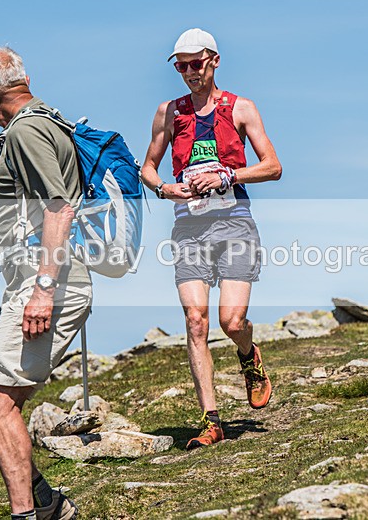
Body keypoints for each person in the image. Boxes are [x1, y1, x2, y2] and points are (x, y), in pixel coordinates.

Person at [0, 46, 90, 520]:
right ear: (24, 79)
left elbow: (59, 208)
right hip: (27, 286)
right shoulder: (40, 122)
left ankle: (26, 514)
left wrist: (44, 290)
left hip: (47, 284)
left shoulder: (27, 131)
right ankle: (47, 501)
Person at [141, 28, 282, 448]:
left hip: (235, 223)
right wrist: (165, 188)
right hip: (188, 228)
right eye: (180, 66)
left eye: (195, 64)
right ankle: (211, 420)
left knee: (230, 321)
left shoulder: (240, 108)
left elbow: (273, 166)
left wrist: (228, 174)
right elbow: (148, 167)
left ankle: (248, 355)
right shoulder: (169, 112)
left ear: (214, 60)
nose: (188, 72)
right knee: (195, 321)